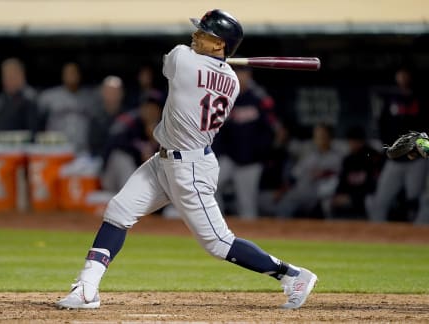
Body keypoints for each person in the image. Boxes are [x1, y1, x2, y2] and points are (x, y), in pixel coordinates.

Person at [56, 9, 317, 310]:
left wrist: (205, 62)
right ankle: (87, 288)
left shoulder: (181, 59)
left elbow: (173, 63)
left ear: (221, 46)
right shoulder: (231, 80)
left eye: (205, 34)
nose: (195, 35)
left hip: (189, 169)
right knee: (119, 210)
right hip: (165, 161)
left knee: (218, 243)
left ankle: (292, 275)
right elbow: (208, 75)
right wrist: (211, 61)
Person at [214, 65, 280, 219]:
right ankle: (216, 224)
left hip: (251, 162)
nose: (240, 76)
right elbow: (216, 129)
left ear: (249, 75)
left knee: (247, 206)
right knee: (209, 187)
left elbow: (272, 128)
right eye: (236, 73)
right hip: (229, 158)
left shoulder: (259, 98)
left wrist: (261, 153)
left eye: (243, 73)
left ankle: (249, 238)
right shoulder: (224, 97)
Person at [366, 68, 428, 222]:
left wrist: (421, 153)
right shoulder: (391, 99)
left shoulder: (422, 98)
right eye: (400, 75)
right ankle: (377, 236)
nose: (402, 79)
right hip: (395, 159)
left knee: (415, 201)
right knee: (380, 201)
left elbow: (426, 129)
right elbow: (383, 127)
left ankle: (416, 238)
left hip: (416, 160)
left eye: (405, 75)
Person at [274, 124, 343, 218]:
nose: (318, 138)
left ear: (329, 137)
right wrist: (284, 189)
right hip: (301, 193)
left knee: (325, 206)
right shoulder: (309, 154)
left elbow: (336, 179)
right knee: (284, 205)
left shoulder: (336, 157)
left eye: (322, 135)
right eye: (316, 135)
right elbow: (295, 175)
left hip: (320, 196)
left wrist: (323, 173)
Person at [100, 90, 164, 192]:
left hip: (151, 182)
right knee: (120, 157)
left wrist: (155, 144)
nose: (150, 111)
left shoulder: (166, 129)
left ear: (161, 111)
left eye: (154, 108)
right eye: (147, 107)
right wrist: (139, 151)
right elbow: (113, 143)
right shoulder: (130, 122)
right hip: (120, 178)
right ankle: (126, 199)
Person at [38, 62, 93, 153]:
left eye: (74, 73)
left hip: (82, 151)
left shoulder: (90, 98)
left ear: (79, 75)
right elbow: (37, 121)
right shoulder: (49, 96)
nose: (71, 76)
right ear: (63, 76)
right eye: (68, 73)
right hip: (56, 149)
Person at [329, 127, 383, 219]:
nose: (352, 144)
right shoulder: (348, 159)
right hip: (352, 197)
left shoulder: (372, 156)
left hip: (367, 197)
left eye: (355, 141)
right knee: (330, 201)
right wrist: (338, 195)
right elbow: (342, 181)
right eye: (350, 141)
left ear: (362, 141)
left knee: (370, 201)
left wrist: (352, 197)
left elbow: (373, 185)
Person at [0, 58, 38, 140]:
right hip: (1, 147)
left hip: (22, 149)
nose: (6, 80)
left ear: (21, 76)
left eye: (10, 76)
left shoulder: (30, 98)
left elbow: (33, 132)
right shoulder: (1, 99)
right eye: (4, 76)